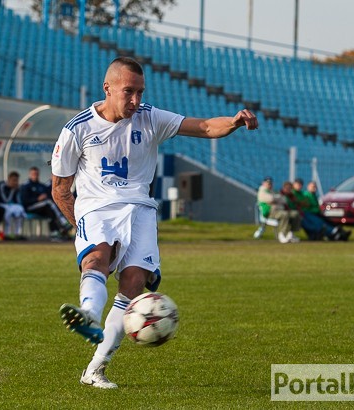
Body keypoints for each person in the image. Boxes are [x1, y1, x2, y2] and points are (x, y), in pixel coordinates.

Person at [51, 57, 258, 389]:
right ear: (108, 88)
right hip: (98, 208)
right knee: (97, 256)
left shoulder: (149, 117)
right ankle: (88, 312)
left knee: (132, 285)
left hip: (142, 211)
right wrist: (83, 228)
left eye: (140, 92)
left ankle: (96, 368)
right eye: (128, 92)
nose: (135, 100)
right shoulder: (78, 130)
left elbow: (204, 127)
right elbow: (60, 189)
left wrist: (233, 122)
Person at [20, 166, 71, 239]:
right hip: (30, 207)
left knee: (50, 212)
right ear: (30, 174)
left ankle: (55, 232)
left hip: (42, 208)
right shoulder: (26, 186)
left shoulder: (41, 186)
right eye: (33, 174)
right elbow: (25, 201)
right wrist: (37, 199)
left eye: (36, 174)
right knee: (48, 204)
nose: (35, 175)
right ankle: (63, 222)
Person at [257, 177, 301, 243]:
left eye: (270, 183)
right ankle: (282, 234)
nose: (269, 184)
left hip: (279, 210)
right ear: (263, 183)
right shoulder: (262, 191)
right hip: (269, 212)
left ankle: (290, 234)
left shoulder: (273, 191)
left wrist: (276, 199)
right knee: (284, 214)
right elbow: (271, 199)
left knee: (295, 214)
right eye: (268, 183)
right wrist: (277, 199)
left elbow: (283, 200)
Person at [0, 171, 27, 240]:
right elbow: (5, 200)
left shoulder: (16, 188)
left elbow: (18, 201)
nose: (15, 182)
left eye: (16, 181)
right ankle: (7, 233)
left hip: (10, 205)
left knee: (20, 209)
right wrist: (12, 190)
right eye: (13, 180)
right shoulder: (2, 185)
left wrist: (17, 191)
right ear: (9, 179)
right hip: (0, 205)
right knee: (8, 211)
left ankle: (17, 233)